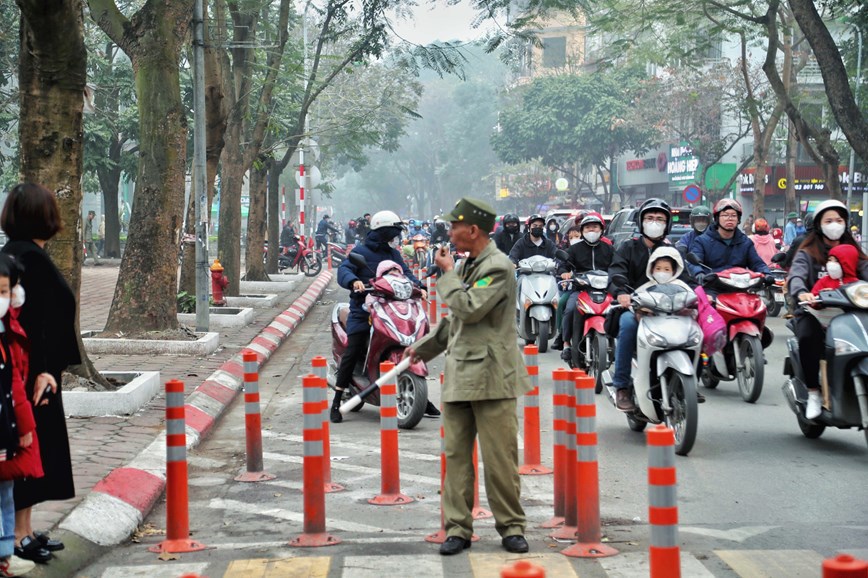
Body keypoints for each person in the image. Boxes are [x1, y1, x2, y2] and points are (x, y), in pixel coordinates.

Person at [403, 197, 531, 557]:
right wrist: (423, 348)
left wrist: (446, 275)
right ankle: (458, 528)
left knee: (499, 459)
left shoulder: (499, 266)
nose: (449, 233)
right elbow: (453, 322)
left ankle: (511, 527)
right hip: (460, 375)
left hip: (492, 377)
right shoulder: (469, 264)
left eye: (454, 227)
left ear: (472, 230)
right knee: (457, 457)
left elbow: (469, 309)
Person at [1, 183, 78, 564]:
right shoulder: (23, 259)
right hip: (32, 375)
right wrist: (43, 371)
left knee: (33, 451)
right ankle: (17, 535)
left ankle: (25, 529)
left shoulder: (21, 254)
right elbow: (33, 322)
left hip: (38, 371)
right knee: (26, 448)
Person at [330, 210, 433, 423]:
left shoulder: (393, 254)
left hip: (392, 305)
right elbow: (345, 270)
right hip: (363, 308)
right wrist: (353, 281)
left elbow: (406, 273)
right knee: (354, 346)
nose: (394, 236)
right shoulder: (361, 251)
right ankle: (337, 398)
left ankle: (419, 393)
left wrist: (420, 286)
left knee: (413, 338)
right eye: (392, 232)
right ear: (382, 231)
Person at [787, 200, 868, 419]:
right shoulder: (807, 252)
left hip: (851, 311)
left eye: (839, 220)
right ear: (819, 225)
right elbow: (796, 275)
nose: (835, 225)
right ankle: (813, 391)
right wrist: (802, 292)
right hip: (814, 310)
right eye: (829, 220)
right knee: (808, 336)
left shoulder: (854, 252)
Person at [608, 198, 688, 411]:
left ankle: (688, 380)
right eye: (650, 218)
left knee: (693, 330)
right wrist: (622, 293)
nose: (655, 222)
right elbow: (616, 273)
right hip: (636, 309)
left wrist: (701, 295)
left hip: (669, 309)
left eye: (660, 219)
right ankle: (622, 386)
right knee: (627, 326)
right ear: (641, 222)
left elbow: (687, 279)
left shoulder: (673, 251)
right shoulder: (628, 248)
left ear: (667, 224)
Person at [0, 255, 42, 578]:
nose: (8, 297)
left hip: (7, 427)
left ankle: (5, 554)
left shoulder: (7, 327)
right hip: (7, 426)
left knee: (6, 491)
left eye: (7, 290)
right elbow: (11, 381)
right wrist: (23, 425)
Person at [557, 214, 615, 364]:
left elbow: (618, 266)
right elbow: (564, 264)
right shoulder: (575, 249)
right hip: (581, 290)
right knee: (570, 309)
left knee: (619, 310)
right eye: (588, 227)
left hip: (605, 290)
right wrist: (563, 272)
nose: (591, 230)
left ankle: (616, 343)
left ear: (601, 230)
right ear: (582, 230)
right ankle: (566, 344)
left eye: (595, 227)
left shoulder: (609, 249)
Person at [685, 199, 770, 280]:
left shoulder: (745, 242)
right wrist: (699, 273)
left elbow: (757, 263)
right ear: (717, 218)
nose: (730, 218)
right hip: (712, 287)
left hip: (740, 287)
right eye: (725, 215)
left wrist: (766, 274)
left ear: (738, 219)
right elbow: (694, 263)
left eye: (733, 215)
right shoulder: (702, 241)